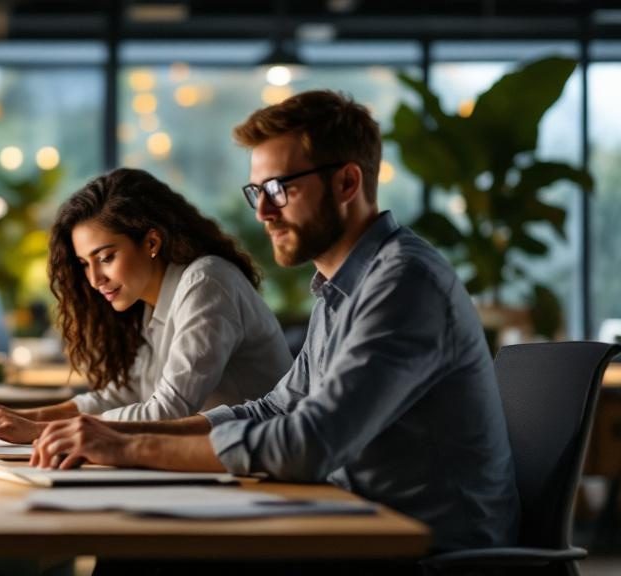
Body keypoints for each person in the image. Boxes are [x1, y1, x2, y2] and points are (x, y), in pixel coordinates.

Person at [29, 90, 520, 553]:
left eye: (280, 189)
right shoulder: (340, 289)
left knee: (151, 552)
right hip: (351, 521)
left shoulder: (405, 284)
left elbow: (309, 443)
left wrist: (131, 448)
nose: (263, 211)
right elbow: (273, 408)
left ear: (347, 183)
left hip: (423, 549)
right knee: (141, 546)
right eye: (257, 191)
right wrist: (119, 438)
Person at [0, 168, 293, 444]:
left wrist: (37, 431)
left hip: (262, 471)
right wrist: (19, 419)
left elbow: (167, 411)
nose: (95, 280)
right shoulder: (154, 302)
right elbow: (127, 394)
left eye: (106, 257)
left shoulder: (206, 282)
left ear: (151, 242)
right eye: (85, 264)